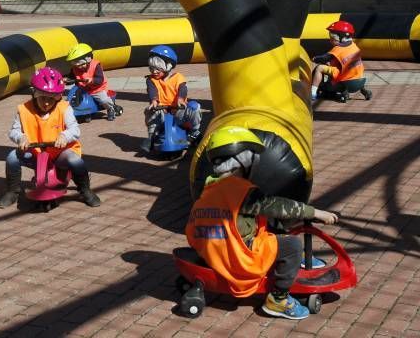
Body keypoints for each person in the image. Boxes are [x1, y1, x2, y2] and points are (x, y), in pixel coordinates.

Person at [186, 126, 339, 320]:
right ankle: (278, 299)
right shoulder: (240, 190)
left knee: (268, 225)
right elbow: (277, 206)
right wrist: (314, 212)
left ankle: (283, 263)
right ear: (244, 161)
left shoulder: (209, 188)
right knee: (291, 245)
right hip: (237, 257)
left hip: (212, 251)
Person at [0, 66, 101, 209]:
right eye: (43, 98)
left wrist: (64, 136)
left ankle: (85, 190)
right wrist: (21, 138)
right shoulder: (23, 109)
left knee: (75, 161)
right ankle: (12, 191)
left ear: (58, 97)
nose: (46, 103)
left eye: (51, 99)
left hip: (59, 152)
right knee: (12, 158)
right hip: (35, 152)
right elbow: (13, 131)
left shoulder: (64, 108)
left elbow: (75, 129)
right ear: (35, 94)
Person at [140, 45, 201, 154]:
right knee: (149, 111)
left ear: (168, 66)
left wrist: (181, 99)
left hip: (178, 111)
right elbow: (152, 90)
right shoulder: (151, 80)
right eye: (151, 68)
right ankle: (151, 137)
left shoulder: (178, 77)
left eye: (157, 69)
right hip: (162, 112)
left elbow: (183, 89)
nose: (154, 71)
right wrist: (154, 100)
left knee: (194, 107)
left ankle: (195, 132)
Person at [311, 20, 369, 102]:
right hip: (360, 80)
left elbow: (324, 58)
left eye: (332, 37)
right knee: (337, 66)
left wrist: (314, 58)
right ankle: (365, 91)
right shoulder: (353, 45)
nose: (330, 40)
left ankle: (313, 93)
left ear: (341, 37)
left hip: (346, 82)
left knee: (319, 68)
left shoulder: (338, 49)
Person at [65, 42, 121, 121]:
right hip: (82, 88)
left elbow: (99, 79)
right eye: (76, 66)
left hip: (96, 89)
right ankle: (83, 112)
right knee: (73, 97)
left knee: (103, 99)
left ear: (88, 59)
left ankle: (110, 108)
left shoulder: (95, 66)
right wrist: (66, 80)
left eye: (81, 65)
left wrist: (92, 80)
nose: (79, 67)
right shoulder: (75, 68)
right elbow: (71, 77)